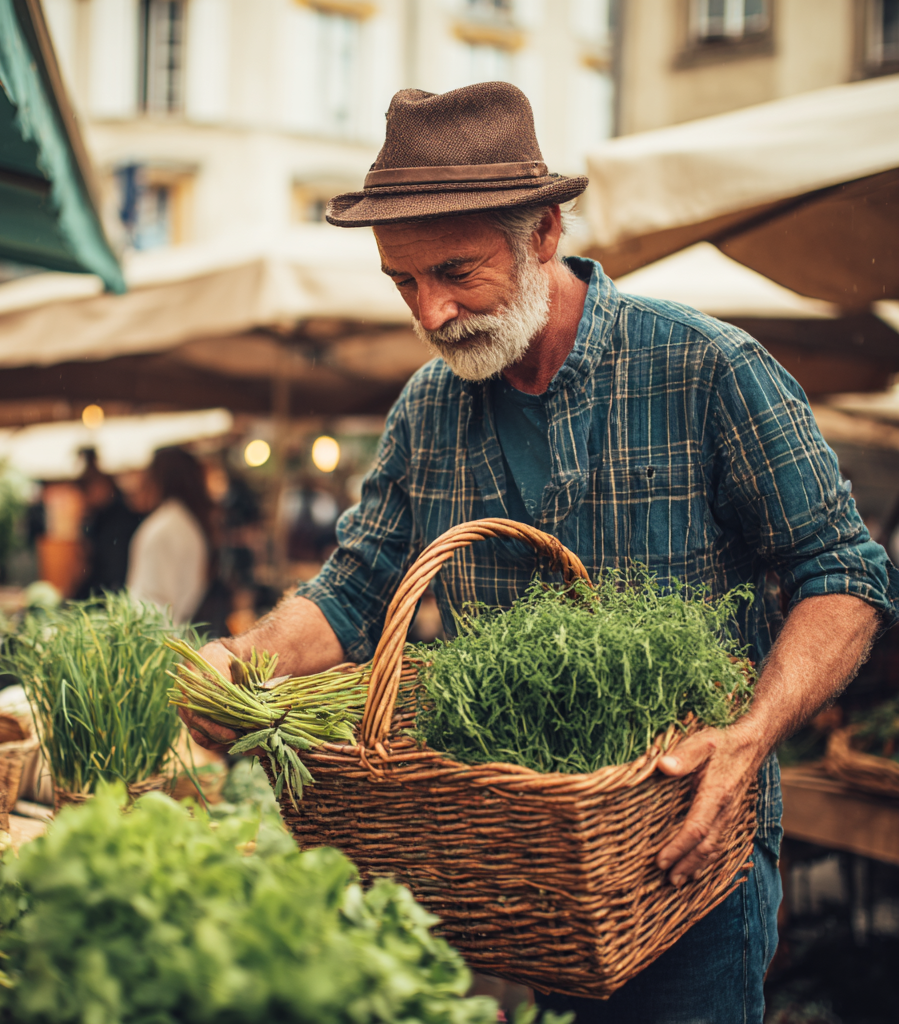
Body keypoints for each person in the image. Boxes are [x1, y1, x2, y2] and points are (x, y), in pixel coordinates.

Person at [180, 83, 899, 1021]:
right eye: (404, 283)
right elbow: (356, 588)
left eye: (455, 272)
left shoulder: (708, 368)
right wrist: (242, 662)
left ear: (546, 232)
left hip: (688, 849)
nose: (433, 313)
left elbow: (843, 573)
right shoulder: (427, 409)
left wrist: (751, 735)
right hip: (519, 869)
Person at [126, 447, 211, 625]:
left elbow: (153, 602)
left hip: (160, 635)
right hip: (176, 630)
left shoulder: (165, 527)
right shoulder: (184, 522)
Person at [76, 449, 142, 598]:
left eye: (87, 492)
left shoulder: (116, 520)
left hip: (115, 594)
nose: (85, 500)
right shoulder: (103, 517)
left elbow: (111, 569)